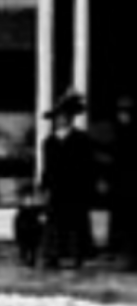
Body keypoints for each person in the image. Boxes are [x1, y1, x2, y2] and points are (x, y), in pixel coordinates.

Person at [40, 91, 96, 270]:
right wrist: (44, 186)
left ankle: (76, 256)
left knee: (76, 222)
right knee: (54, 222)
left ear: (71, 118)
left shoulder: (82, 139)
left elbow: (88, 165)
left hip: (75, 187)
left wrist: (87, 186)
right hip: (57, 188)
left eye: (64, 117)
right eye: (57, 117)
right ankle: (53, 256)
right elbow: (47, 166)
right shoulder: (49, 142)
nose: (60, 120)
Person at [109, 95, 137, 272]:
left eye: (126, 112)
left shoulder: (130, 134)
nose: (123, 115)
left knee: (131, 223)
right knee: (123, 222)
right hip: (121, 185)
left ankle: (130, 258)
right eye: (120, 112)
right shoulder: (119, 132)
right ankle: (125, 256)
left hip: (132, 184)